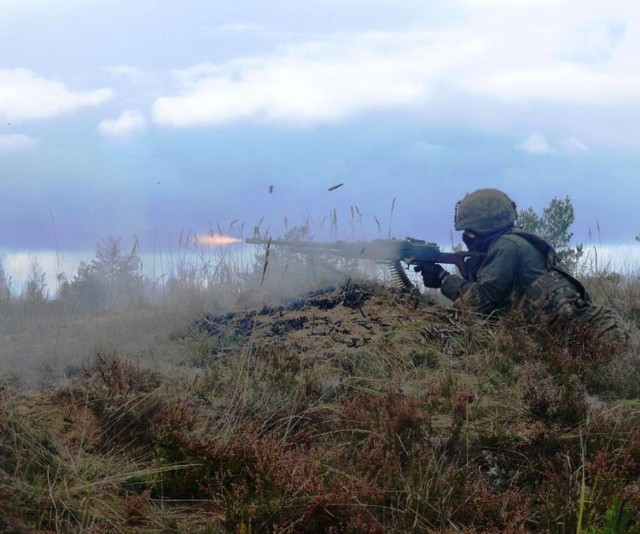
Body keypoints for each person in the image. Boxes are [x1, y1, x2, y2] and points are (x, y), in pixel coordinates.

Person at [418, 188, 630, 343]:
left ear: (485, 229)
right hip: (584, 333)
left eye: (470, 232)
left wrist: (444, 279)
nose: (466, 237)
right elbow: (495, 309)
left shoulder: (506, 246)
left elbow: (479, 303)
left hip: (597, 335)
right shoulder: (515, 242)